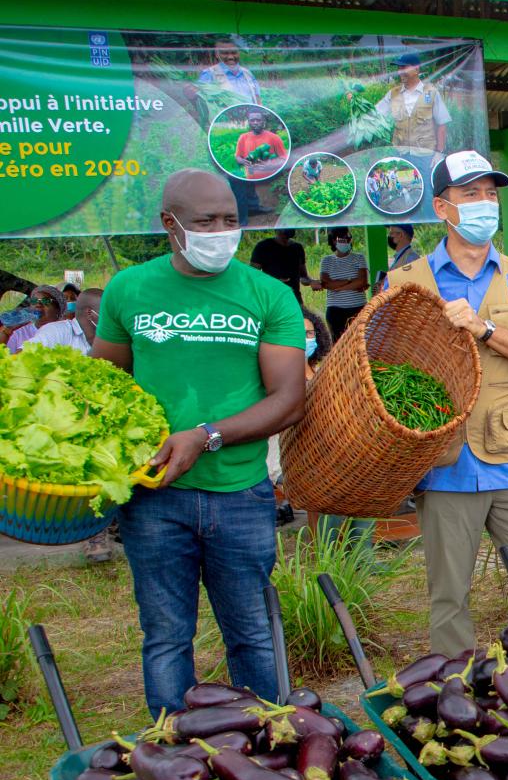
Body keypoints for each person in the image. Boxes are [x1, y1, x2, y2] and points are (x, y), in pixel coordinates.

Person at [91, 168, 305, 717]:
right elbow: (104, 387)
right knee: (165, 634)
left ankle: (267, 745)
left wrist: (207, 436)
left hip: (242, 496)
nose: (221, 231)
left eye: (231, 220)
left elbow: (288, 399)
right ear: (171, 224)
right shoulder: (129, 289)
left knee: (252, 633)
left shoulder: (268, 294)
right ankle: (173, 755)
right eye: (206, 221)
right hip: (156, 497)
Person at [394, 149, 508, 652]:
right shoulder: (405, 283)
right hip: (443, 461)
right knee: (449, 594)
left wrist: (486, 328)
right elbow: (388, 374)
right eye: (471, 195)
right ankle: (458, 693)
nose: (485, 204)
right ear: (443, 208)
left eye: (491, 194)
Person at [377, 51, 451, 180]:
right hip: (401, 156)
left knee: (427, 192)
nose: (400, 71)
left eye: (404, 67)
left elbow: (442, 125)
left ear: (416, 69)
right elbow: (375, 114)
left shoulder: (431, 93)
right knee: (406, 192)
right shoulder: (393, 94)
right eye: (399, 68)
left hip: (425, 156)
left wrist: (438, 153)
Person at [317, 225, 369, 339]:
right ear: (334, 241)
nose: (346, 241)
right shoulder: (326, 260)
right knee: (338, 345)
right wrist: (350, 281)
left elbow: (362, 282)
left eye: (348, 238)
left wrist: (338, 287)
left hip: (358, 308)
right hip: (335, 311)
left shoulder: (359, 258)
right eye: (342, 238)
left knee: (360, 343)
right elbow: (326, 283)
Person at [250, 227, 309, 304]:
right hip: (272, 300)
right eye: (285, 225)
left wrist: (312, 282)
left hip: (294, 300)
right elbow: (252, 277)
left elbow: (303, 277)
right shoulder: (263, 247)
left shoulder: (297, 248)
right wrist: (274, 282)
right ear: (277, 229)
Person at [193, 39, 261, 104]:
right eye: (225, 53)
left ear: (238, 53)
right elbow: (201, 100)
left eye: (234, 53)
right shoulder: (209, 73)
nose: (230, 57)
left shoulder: (247, 73)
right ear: (217, 54)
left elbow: (257, 99)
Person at [234, 107, 286, 181]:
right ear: (249, 122)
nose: (255, 122)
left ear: (263, 121)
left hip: (271, 180)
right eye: (252, 120)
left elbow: (284, 159)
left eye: (258, 120)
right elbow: (238, 157)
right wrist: (243, 161)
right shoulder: (243, 138)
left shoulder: (274, 138)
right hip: (250, 179)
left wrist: (272, 166)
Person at [5, 287, 59, 351]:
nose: (38, 304)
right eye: (34, 301)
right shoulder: (18, 333)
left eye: (46, 301)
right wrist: (5, 332)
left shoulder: (65, 330)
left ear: (58, 309)